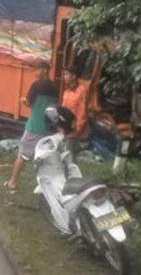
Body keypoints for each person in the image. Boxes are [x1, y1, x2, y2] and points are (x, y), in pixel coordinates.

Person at [5, 60, 58, 190]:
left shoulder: (37, 85)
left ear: (45, 71)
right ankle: (47, 186)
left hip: (35, 125)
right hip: (49, 127)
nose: (34, 73)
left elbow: (30, 103)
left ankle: (13, 181)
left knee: (22, 154)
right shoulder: (55, 87)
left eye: (37, 69)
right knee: (44, 157)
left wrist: (23, 101)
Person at [61, 66, 89, 150]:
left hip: (74, 130)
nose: (64, 77)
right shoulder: (66, 91)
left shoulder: (82, 91)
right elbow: (63, 110)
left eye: (66, 74)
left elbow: (82, 112)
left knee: (69, 156)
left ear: (74, 76)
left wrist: (77, 129)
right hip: (65, 128)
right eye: (64, 74)